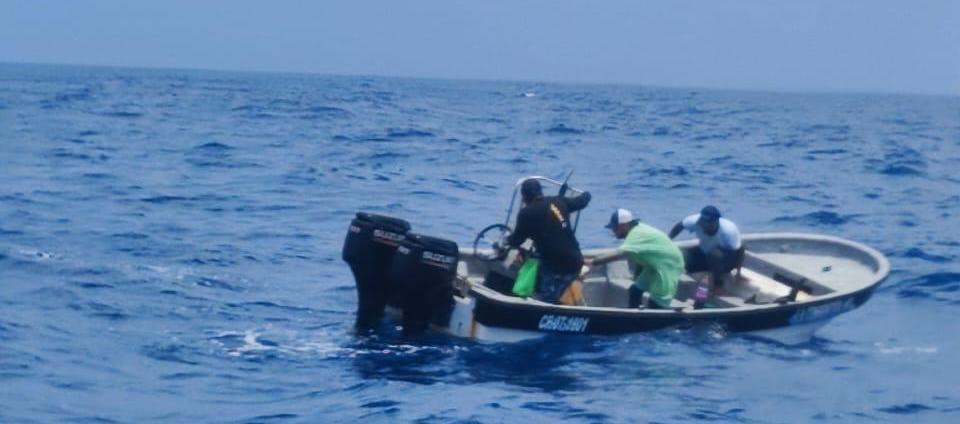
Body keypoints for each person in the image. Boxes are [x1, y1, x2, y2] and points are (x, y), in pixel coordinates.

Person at [504, 178, 591, 304]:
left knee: (549, 300)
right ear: (540, 192)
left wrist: (506, 240)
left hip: (554, 266)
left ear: (524, 197)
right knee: (567, 294)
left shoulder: (526, 213)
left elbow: (516, 240)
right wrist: (587, 195)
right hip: (575, 261)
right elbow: (581, 202)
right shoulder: (558, 201)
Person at [588, 208, 685, 309]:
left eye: (615, 228)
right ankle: (634, 316)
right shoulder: (637, 230)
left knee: (657, 302)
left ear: (624, 226)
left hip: (669, 265)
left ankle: (654, 321)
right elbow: (642, 255)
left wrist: (593, 262)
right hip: (653, 265)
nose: (613, 231)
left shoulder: (636, 235)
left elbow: (619, 254)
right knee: (635, 290)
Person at [668, 205, 744, 288]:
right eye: (702, 223)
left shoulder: (729, 230)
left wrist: (738, 273)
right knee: (680, 253)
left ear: (715, 222)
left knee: (714, 254)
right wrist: (667, 241)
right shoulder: (695, 220)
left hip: (724, 262)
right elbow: (680, 226)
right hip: (705, 255)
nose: (703, 226)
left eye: (707, 224)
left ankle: (718, 285)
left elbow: (740, 249)